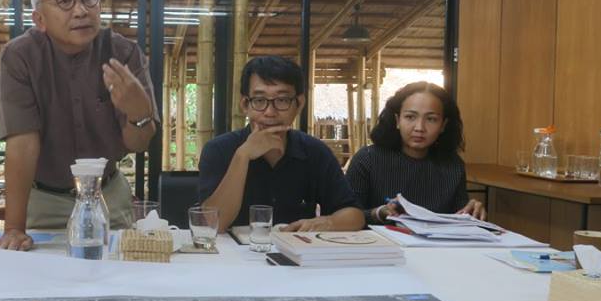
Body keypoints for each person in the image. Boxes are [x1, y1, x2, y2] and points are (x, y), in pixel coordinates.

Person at [0, 0, 159, 251]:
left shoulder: (123, 53)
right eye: (64, 1)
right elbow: (22, 144)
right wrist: (14, 228)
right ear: (39, 19)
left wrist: (138, 112)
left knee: (116, 274)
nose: (80, 10)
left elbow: (139, 143)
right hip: (45, 200)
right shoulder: (19, 57)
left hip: (108, 196)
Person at [198, 56, 364, 232]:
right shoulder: (218, 149)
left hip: (298, 247)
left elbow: (355, 215)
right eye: (259, 100)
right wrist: (242, 156)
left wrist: (327, 222)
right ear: (245, 105)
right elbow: (213, 224)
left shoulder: (315, 151)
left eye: (282, 100)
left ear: (299, 104)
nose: (270, 112)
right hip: (233, 250)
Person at [345, 81, 485, 225]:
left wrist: (471, 212)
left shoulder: (453, 165)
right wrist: (379, 212)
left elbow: (459, 218)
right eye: (410, 117)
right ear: (397, 120)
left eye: (431, 119)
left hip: (435, 240)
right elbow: (344, 215)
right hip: (376, 239)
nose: (419, 128)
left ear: (443, 125)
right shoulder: (367, 159)